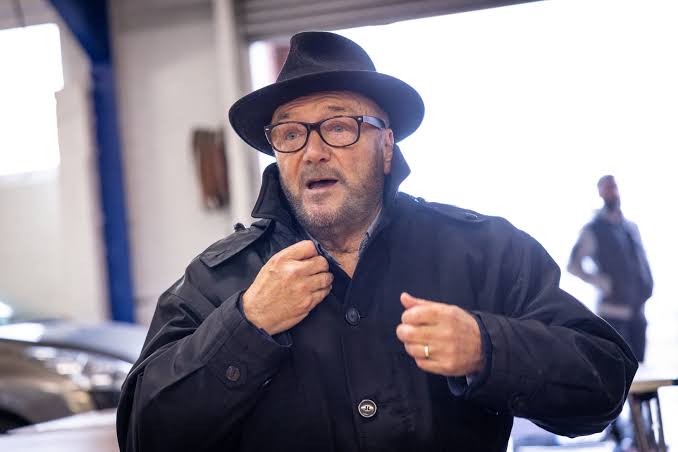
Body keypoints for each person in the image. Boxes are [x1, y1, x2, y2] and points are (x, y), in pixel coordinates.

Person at [117, 32, 637, 452]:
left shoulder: (485, 252)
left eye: (339, 126)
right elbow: (144, 436)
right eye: (291, 134)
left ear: (386, 147)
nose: (312, 152)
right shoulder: (218, 279)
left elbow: (604, 381)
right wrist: (246, 325)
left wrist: (487, 348)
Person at [568, 175, 653, 362]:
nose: (612, 192)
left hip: (637, 312)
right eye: (607, 188)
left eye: (614, 187)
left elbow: (640, 261)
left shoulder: (630, 227)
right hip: (613, 314)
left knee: (641, 367)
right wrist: (603, 283)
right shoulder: (593, 229)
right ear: (600, 193)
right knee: (618, 367)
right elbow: (573, 265)